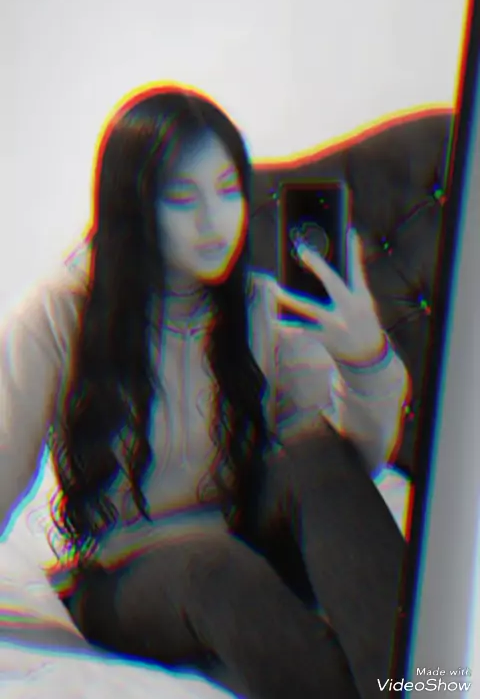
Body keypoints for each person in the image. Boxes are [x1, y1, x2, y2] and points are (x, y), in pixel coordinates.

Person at [0, 87, 409, 699]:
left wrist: (364, 358)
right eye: (182, 199)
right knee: (215, 565)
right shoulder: (62, 311)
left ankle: (423, 685)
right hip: (129, 575)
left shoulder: (260, 304)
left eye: (227, 190)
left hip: (247, 533)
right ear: (134, 207)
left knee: (314, 453)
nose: (214, 221)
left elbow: (347, 475)